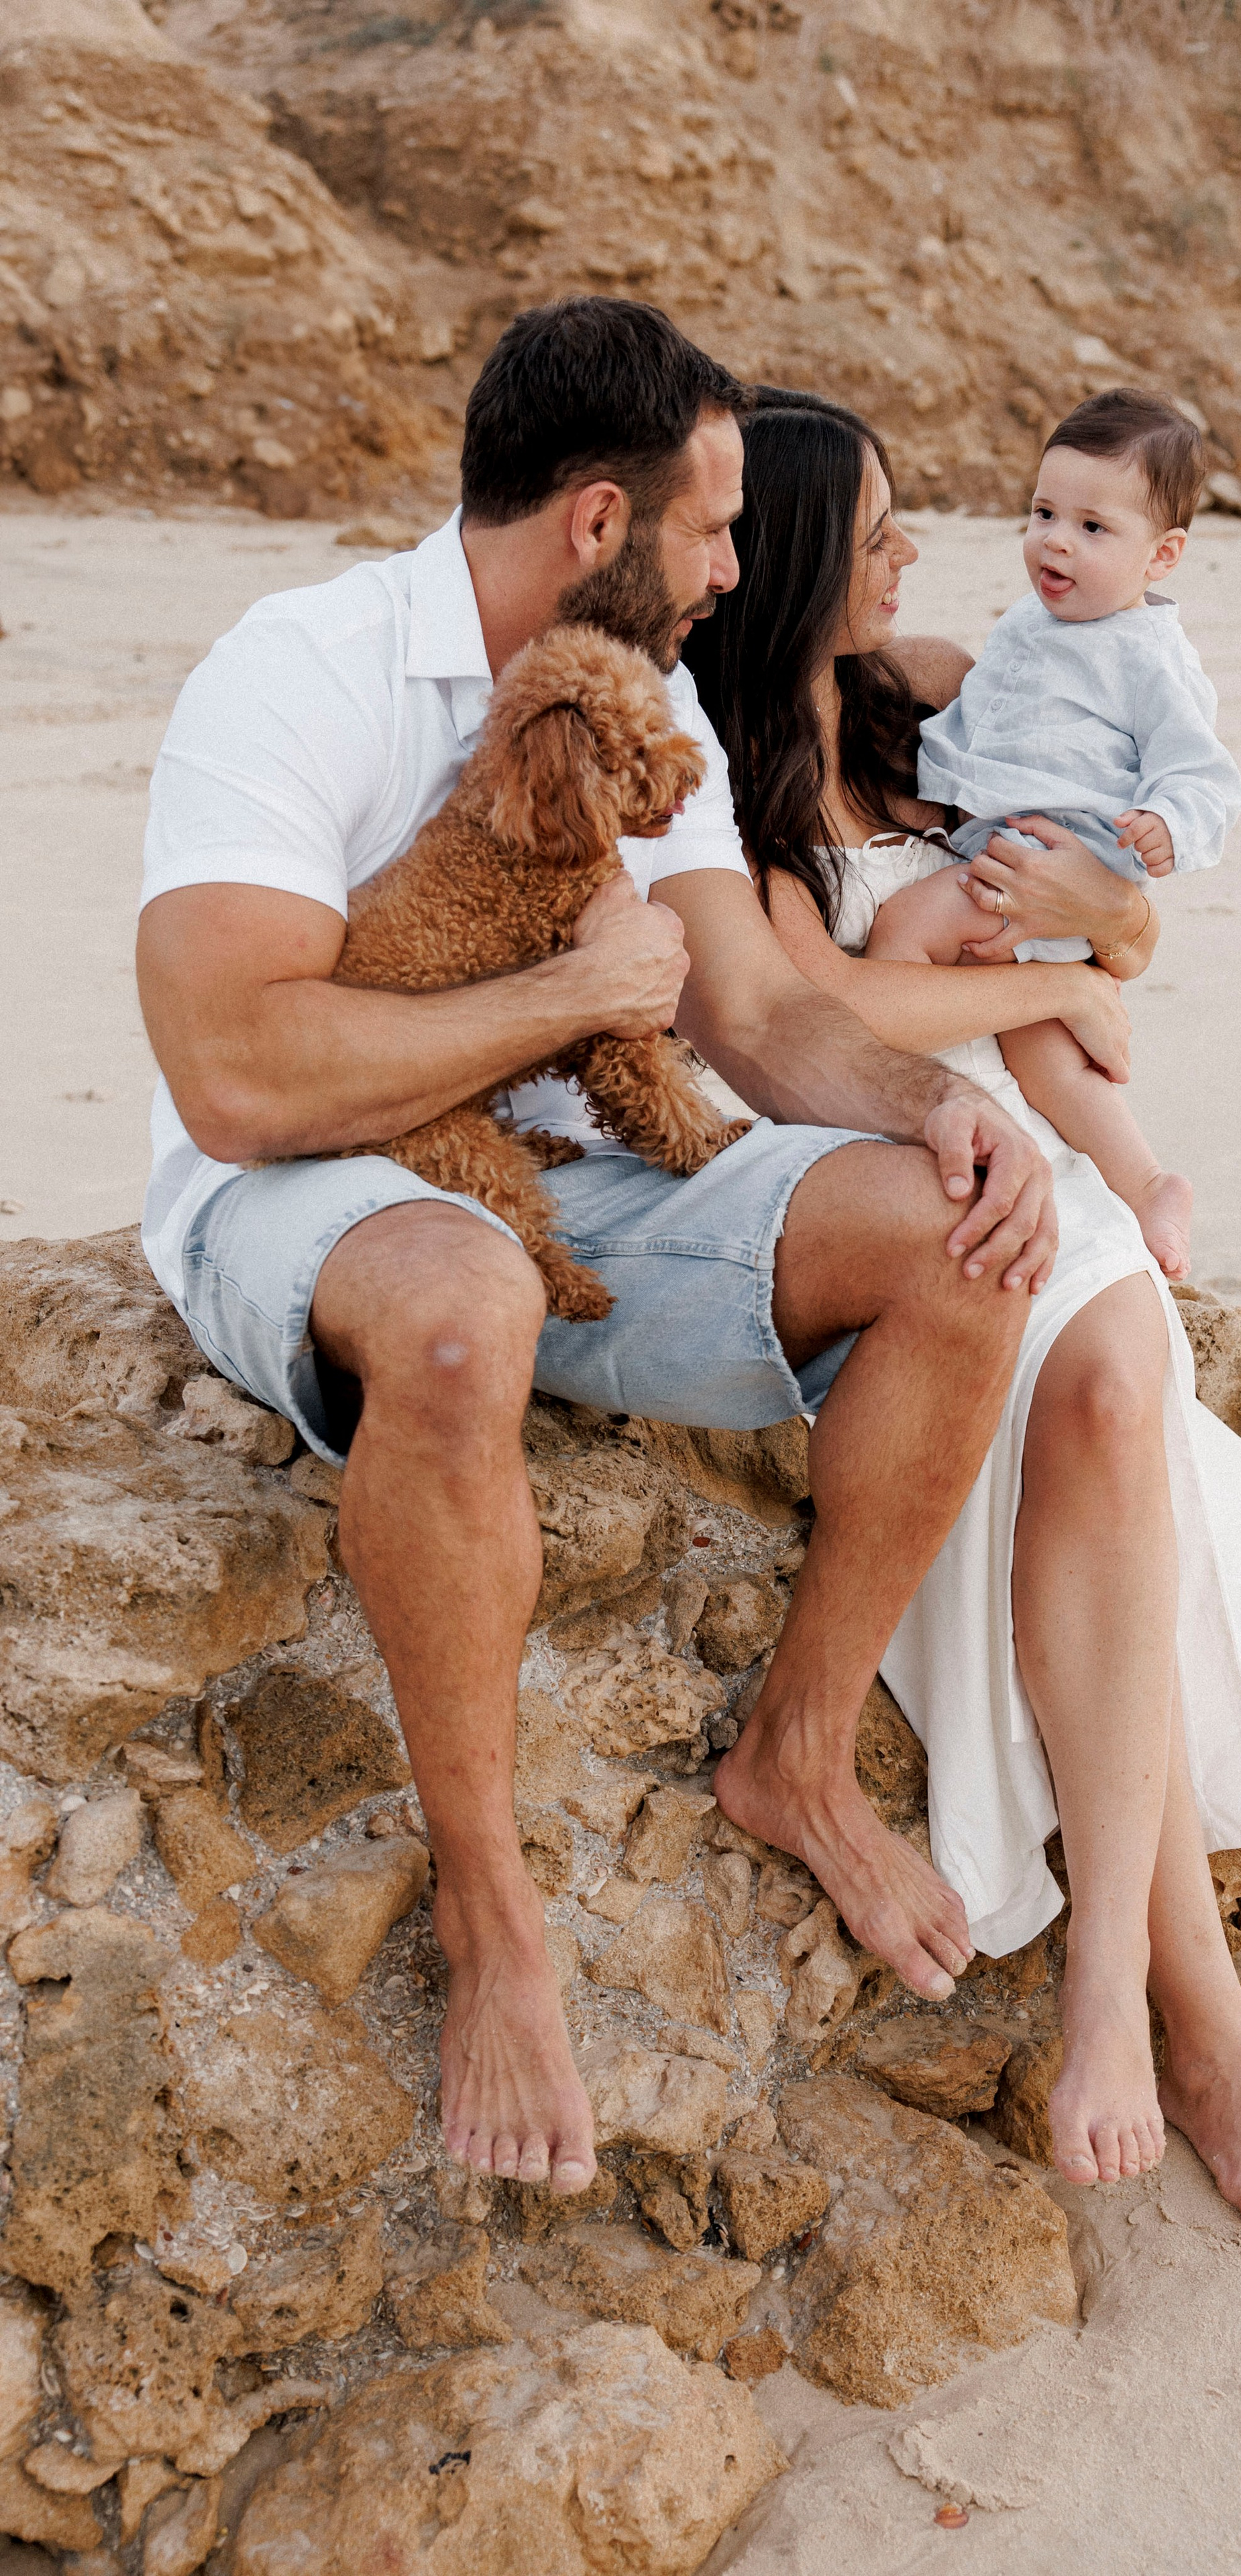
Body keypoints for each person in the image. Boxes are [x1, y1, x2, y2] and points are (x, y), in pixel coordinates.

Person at [135, 296, 1064, 2203]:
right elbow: (235, 1067)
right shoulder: (295, 671)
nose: (738, 570)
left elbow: (746, 1013)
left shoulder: (647, 715)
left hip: (595, 1171)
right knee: (467, 1306)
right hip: (312, 1179)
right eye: (713, 527)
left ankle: (793, 1751)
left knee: (957, 1236)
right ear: (593, 522)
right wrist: (557, 990)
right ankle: (494, 1911)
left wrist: (935, 1105)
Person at [685, 391, 1241, 2228]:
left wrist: (1114, 921)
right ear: (791, 555)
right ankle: (1201, 2032)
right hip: (888, 1163)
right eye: (873, 529)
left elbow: (1118, 918)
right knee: (1091, 1382)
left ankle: (1130, 1996)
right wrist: (1017, 990)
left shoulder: (937, 691)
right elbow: (800, 1031)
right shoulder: (716, 784)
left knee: (1111, 1379)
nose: (911, 554)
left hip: (1023, 1142)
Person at [857, 388, 1241, 1286]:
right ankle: (1144, 1182)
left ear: (1165, 554)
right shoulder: (1031, 624)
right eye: (1043, 514)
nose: (1055, 542)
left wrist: (1166, 826)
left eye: (1093, 528)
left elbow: (1203, 771)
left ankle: (881, 1094)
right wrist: (928, 773)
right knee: (1041, 1054)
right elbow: (985, 725)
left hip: (1054, 854)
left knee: (902, 937)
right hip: (999, 846)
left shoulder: (1146, 652)